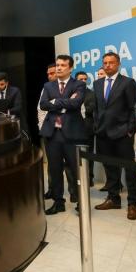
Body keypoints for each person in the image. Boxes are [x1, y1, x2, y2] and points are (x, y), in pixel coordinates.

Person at [93, 52, 136, 220]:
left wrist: (130, 129)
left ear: (118, 64)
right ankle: (113, 199)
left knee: (130, 170)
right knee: (110, 169)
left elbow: (133, 108)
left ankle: (133, 203)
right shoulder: (97, 84)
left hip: (122, 134)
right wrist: (96, 127)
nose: (107, 65)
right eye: (105, 62)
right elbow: (98, 109)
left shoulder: (127, 82)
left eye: (111, 63)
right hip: (103, 134)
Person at [40, 55, 86, 215]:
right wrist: (65, 101)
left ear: (70, 68)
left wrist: (55, 102)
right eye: (58, 65)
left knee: (76, 170)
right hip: (53, 134)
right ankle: (58, 202)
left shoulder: (79, 84)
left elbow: (76, 103)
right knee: (54, 170)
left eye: (63, 65)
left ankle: (81, 202)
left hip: (72, 134)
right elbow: (43, 105)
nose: (59, 68)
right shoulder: (48, 85)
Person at [75, 71, 95, 186]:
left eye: (85, 79)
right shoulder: (71, 93)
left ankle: (90, 178)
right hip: (73, 129)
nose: (83, 81)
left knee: (89, 155)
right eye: (81, 79)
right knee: (75, 155)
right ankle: (78, 177)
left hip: (87, 129)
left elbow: (90, 109)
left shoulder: (91, 94)